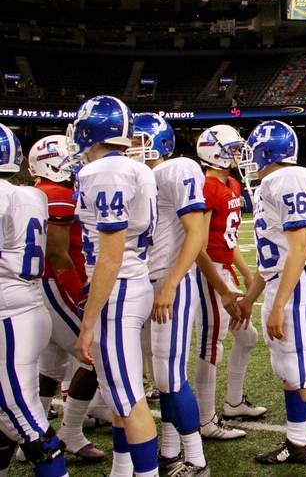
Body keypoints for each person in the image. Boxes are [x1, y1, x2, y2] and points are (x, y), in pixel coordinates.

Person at [233, 120, 306, 476]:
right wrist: (249, 298)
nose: (249, 157)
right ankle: (297, 443)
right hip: (281, 282)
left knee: (303, 372)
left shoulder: (288, 178)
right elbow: (273, 260)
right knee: (286, 370)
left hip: (296, 285)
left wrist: (281, 303)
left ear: (268, 151)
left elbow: (298, 249)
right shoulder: (272, 182)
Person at [69, 95, 160, 477]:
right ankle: (122, 469)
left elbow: (109, 254)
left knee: (129, 401)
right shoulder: (135, 168)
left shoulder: (103, 173)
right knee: (120, 393)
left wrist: (88, 323)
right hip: (131, 284)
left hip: (118, 289)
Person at [127, 114, 210, 477]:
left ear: (160, 142)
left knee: (169, 376)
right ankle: (170, 451)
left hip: (167, 283)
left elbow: (196, 233)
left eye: (137, 140)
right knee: (158, 377)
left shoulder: (176, 169)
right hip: (144, 282)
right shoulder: (136, 177)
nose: (130, 148)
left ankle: (196, 459)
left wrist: (172, 283)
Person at [27, 135, 106, 461]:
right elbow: (59, 254)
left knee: (51, 365)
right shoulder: (58, 195)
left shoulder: (34, 193)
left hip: (38, 286)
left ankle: (32, 436)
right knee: (96, 354)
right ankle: (70, 431)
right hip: (55, 283)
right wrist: (80, 296)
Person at [0, 124, 71, 477]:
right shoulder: (32, 195)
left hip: (7, 317)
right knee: (6, 415)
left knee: (30, 427)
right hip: (28, 307)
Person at [194, 124, 264, 440]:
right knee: (212, 345)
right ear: (213, 151)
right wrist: (221, 287)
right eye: (232, 148)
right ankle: (205, 420)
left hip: (226, 270)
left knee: (247, 337)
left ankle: (233, 402)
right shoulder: (206, 187)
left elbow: (229, 239)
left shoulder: (232, 184)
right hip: (209, 273)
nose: (237, 153)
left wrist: (248, 274)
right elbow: (197, 243)